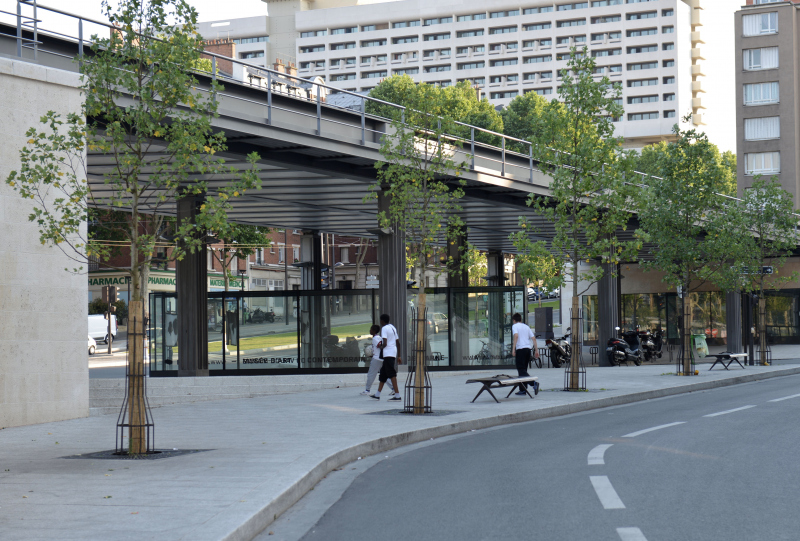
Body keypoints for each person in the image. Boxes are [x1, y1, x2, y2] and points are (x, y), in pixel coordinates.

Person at [371, 314, 402, 401]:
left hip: (387, 353)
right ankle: (377, 394)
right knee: (383, 374)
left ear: (382, 321)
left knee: (391, 373)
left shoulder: (384, 328)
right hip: (393, 352)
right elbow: (398, 343)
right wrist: (399, 355)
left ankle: (397, 395)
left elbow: (385, 343)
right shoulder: (393, 327)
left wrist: (380, 347)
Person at [511, 313, 540, 396]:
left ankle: (533, 383)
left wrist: (513, 349)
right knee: (524, 370)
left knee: (521, 369)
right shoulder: (526, 327)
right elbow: (533, 338)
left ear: (514, 320)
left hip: (520, 349)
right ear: (521, 319)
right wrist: (536, 350)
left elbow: (516, 336)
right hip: (528, 350)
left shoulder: (515, 326)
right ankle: (523, 389)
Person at [361, 324, 394, 396]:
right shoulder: (380, 337)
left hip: (376, 359)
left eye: (371, 329)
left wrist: (378, 350)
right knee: (384, 375)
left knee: (371, 374)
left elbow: (379, 346)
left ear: (374, 331)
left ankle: (367, 390)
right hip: (381, 359)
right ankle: (393, 388)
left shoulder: (375, 338)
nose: (370, 330)